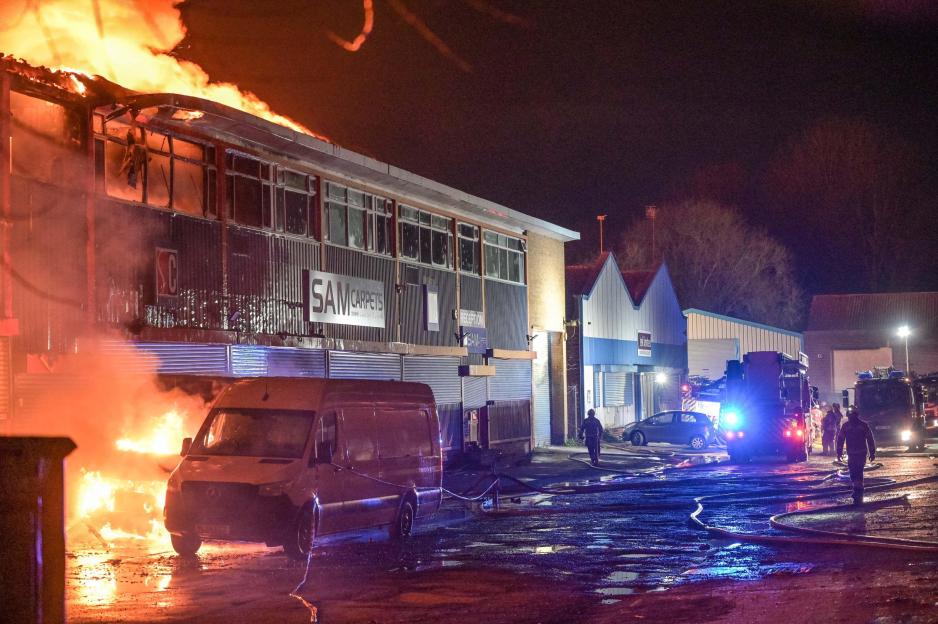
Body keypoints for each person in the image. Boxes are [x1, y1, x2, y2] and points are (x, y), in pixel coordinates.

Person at [836, 406, 876, 505]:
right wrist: (839, 452)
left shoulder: (858, 426)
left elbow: (870, 439)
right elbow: (840, 440)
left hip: (859, 453)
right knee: (854, 472)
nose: (851, 417)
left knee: (857, 471)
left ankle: (859, 491)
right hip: (855, 453)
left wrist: (872, 452)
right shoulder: (854, 426)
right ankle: (858, 490)